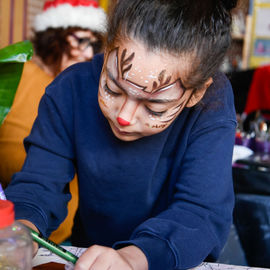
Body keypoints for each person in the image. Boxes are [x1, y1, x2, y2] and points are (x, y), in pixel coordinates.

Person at [5, 0, 238, 269]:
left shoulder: (212, 104)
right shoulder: (70, 89)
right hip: (89, 255)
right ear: (106, 49)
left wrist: (134, 257)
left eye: (153, 106)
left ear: (196, 93)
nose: (124, 116)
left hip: (172, 260)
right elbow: (39, 185)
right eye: (113, 89)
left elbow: (201, 212)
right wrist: (21, 229)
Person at [0, 0, 107, 244]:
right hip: (17, 225)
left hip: (73, 234)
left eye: (95, 45)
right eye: (80, 41)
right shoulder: (15, 76)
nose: (89, 54)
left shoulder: (95, 88)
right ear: (54, 37)